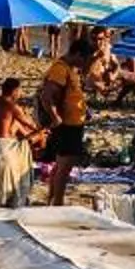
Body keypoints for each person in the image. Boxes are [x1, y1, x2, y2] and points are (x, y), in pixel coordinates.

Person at [37, 37, 98, 206]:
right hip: (67, 125)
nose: (85, 63)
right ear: (77, 54)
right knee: (64, 167)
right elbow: (46, 96)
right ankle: (57, 202)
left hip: (72, 124)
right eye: (84, 58)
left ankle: (52, 199)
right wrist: (55, 117)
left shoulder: (69, 69)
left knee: (60, 165)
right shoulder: (60, 69)